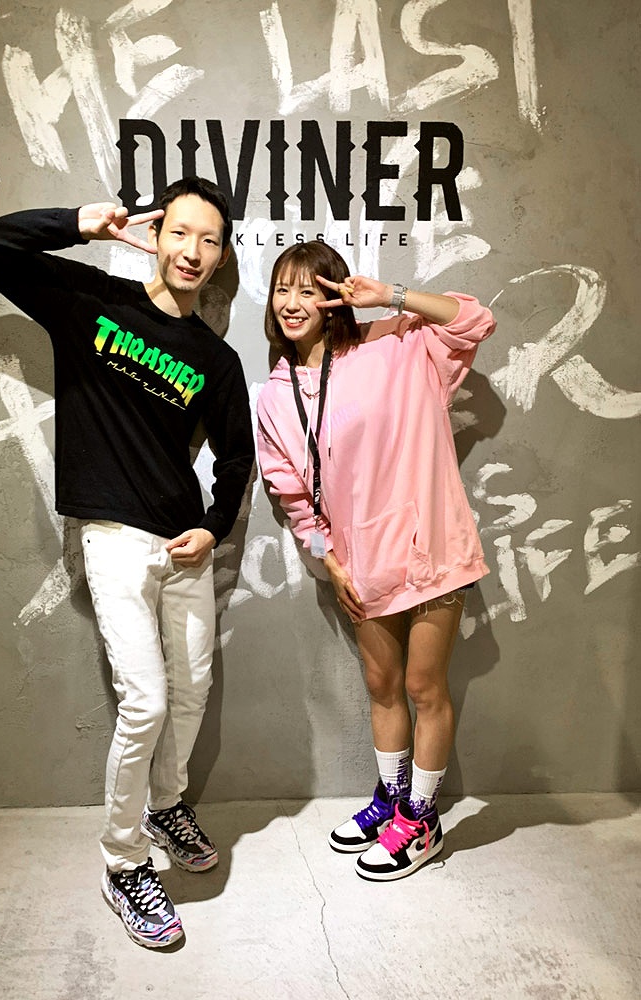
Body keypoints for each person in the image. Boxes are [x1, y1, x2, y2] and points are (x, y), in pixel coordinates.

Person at [0, 178, 255, 946]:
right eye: (180, 232)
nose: (193, 251)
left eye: (210, 240)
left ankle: (165, 806)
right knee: (146, 703)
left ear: (222, 256)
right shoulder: (90, 305)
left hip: (183, 545)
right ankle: (124, 865)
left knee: (191, 693)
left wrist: (214, 528)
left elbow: (236, 458)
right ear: (156, 236)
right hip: (114, 538)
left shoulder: (216, 360)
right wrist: (79, 224)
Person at [256, 241, 495, 882]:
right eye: (282, 290)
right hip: (359, 562)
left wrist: (388, 296)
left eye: (309, 290)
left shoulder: (397, 344)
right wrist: (328, 559)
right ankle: (392, 799)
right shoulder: (275, 395)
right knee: (382, 686)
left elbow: (474, 320)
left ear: (334, 296)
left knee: (424, 687)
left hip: (429, 547)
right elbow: (291, 492)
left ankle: (422, 818)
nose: (292, 303)